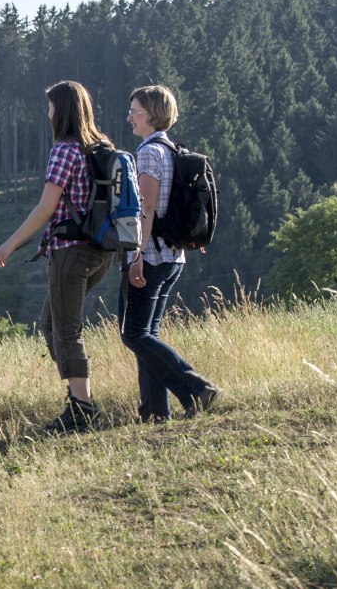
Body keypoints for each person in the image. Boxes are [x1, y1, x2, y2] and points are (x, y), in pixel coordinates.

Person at [0, 80, 116, 432]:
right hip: (100, 251)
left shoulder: (64, 150)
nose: (46, 113)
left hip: (71, 251)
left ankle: (83, 409)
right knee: (52, 324)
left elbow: (47, 207)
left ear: (60, 110)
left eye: (49, 106)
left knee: (65, 330)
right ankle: (79, 398)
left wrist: (11, 243)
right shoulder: (101, 146)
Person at [120, 85, 219, 421]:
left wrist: (136, 255)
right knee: (148, 334)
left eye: (136, 111)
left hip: (151, 255)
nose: (130, 117)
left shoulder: (148, 152)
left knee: (134, 334)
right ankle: (154, 413)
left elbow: (146, 207)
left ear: (153, 114)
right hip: (172, 255)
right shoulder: (171, 149)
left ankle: (196, 388)